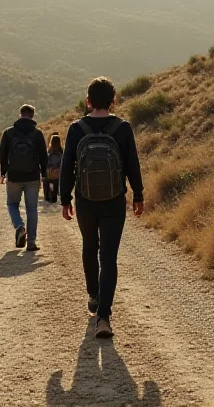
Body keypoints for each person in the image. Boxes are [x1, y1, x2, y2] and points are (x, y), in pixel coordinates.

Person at [60, 77, 144, 339]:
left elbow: (67, 167)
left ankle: (94, 296)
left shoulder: (77, 128)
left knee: (89, 246)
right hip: (114, 200)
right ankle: (104, 317)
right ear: (113, 101)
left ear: (88, 101)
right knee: (108, 257)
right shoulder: (123, 128)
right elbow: (132, 164)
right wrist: (138, 195)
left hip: (85, 200)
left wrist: (65, 199)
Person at [0, 104, 48, 251]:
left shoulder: (9, 133)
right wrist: (44, 174)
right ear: (32, 115)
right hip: (32, 176)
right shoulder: (37, 133)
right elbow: (43, 156)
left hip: (14, 175)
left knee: (12, 204)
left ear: (20, 114)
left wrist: (3, 173)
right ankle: (31, 241)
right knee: (32, 209)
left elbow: (3, 154)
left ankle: (20, 226)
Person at [44, 133, 63, 203]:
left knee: (45, 180)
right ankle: (57, 193)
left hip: (49, 174)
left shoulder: (49, 152)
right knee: (57, 182)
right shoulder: (62, 152)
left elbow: (45, 163)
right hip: (58, 175)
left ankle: (47, 196)